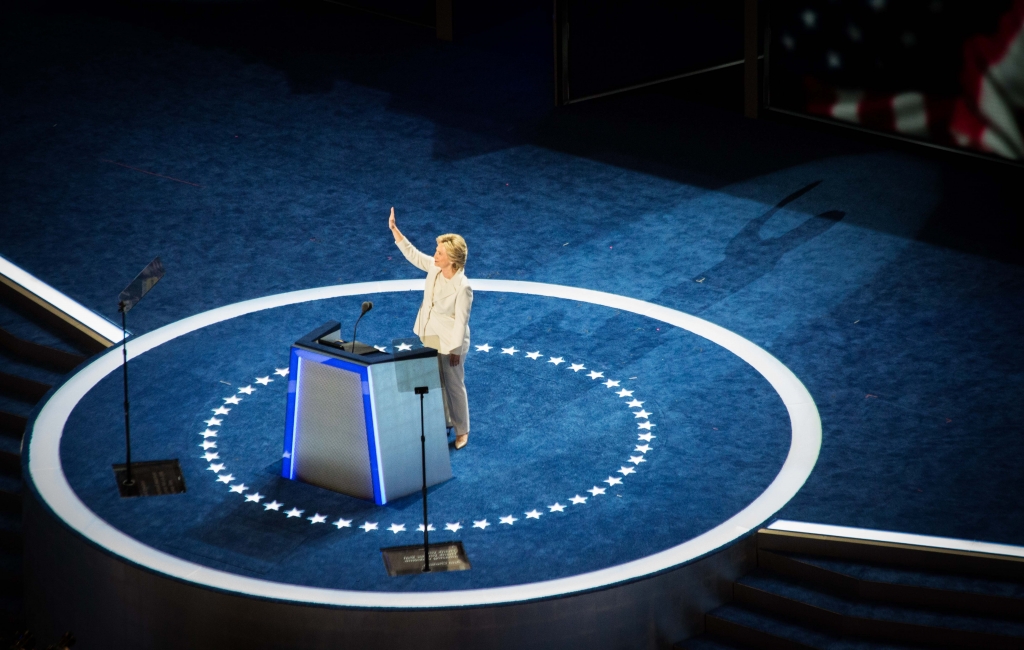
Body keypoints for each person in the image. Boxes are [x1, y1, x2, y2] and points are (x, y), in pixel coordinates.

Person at [388, 207, 473, 450]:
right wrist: (395, 230)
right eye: (436, 252)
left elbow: (461, 321)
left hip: (450, 343)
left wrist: (455, 350)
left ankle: (462, 430)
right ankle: (444, 421)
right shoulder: (435, 268)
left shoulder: (463, 287)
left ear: (453, 260)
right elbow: (414, 255)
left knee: (454, 385)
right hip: (429, 335)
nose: (435, 255)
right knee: (434, 382)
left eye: (439, 253)